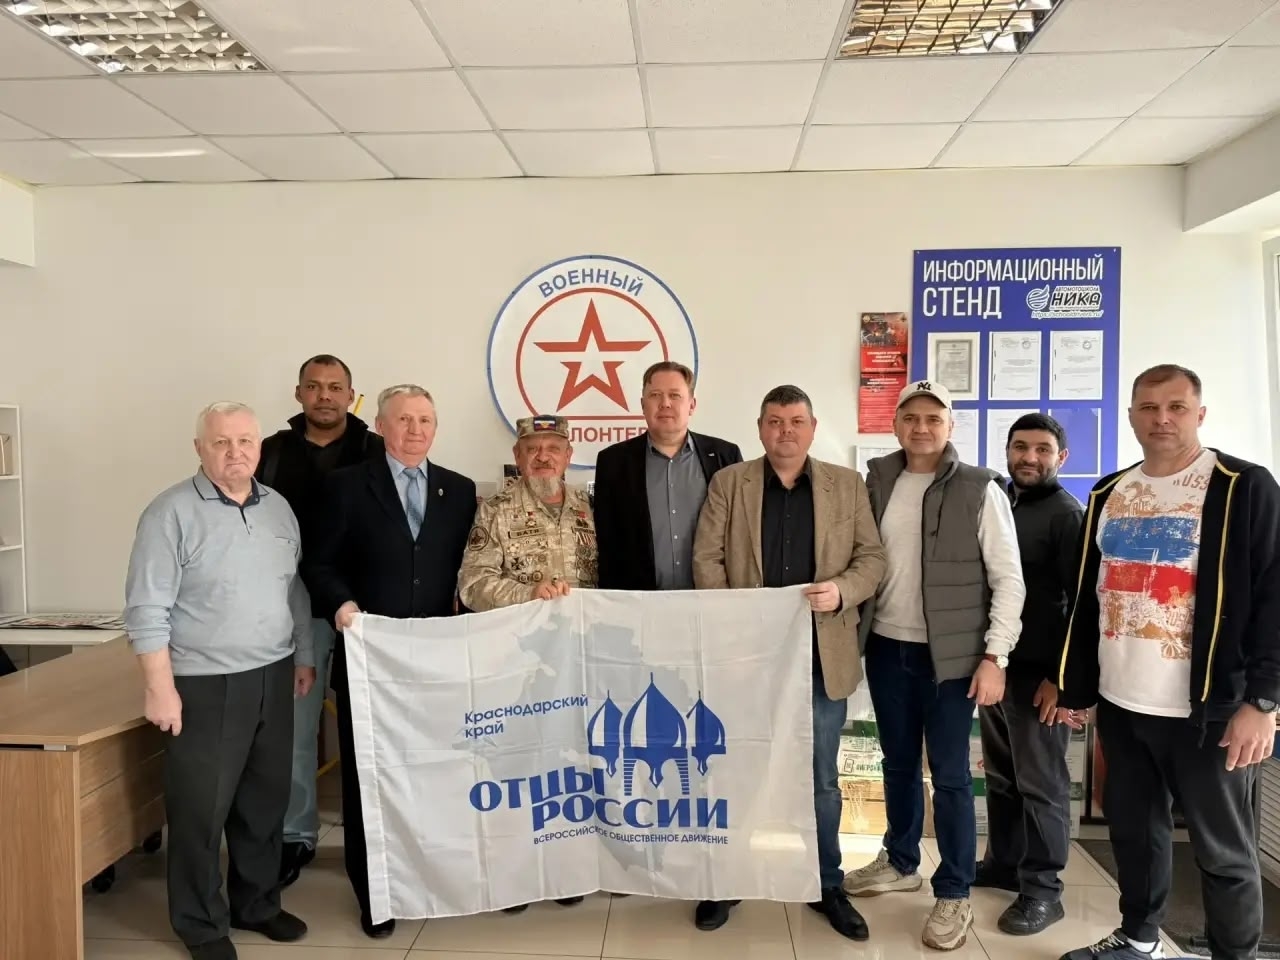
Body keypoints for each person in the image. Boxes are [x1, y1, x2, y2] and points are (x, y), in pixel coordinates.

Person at [1057, 364, 1280, 960]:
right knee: (1135, 834)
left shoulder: (1241, 486)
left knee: (1223, 851)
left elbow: (1273, 596)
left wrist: (1263, 701)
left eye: (1177, 407)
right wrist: (1077, 688)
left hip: (1210, 710)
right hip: (1122, 703)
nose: (1162, 419)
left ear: (1199, 414)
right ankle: (1139, 939)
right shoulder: (1108, 492)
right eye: (1149, 407)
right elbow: (1088, 597)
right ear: (1130, 415)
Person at [691, 385, 887, 941]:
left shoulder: (846, 485)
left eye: (796, 422)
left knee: (820, 778)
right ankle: (728, 878)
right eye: (775, 421)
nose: (785, 431)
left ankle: (827, 884)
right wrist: (740, 621)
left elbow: (872, 558)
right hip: (748, 658)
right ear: (760, 428)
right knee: (738, 769)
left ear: (812, 427)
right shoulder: (730, 483)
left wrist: (842, 591)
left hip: (821, 657)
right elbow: (706, 558)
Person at [124, 401, 316, 960]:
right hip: (203, 682)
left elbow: (292, 588)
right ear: (199, 449)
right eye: (222, 442)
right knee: (200, 811)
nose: (235, 452)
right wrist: (159, 686)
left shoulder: (278, 508)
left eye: (245, 441)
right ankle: (201, 924)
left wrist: (304, 655)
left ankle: (257, 903)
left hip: (273, 673)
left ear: (259, 446)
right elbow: (146, 608)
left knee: (264, 801)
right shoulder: (169, 513)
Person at [844, 379, 1024, 953]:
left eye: (933, 418)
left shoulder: (980, 488)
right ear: (895, 424)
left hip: (952, 659)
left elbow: (1009, 580)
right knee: (896, 763)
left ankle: (954, 890)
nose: (921, 428)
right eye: (911, 417)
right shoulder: (877, 483)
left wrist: (995, 656)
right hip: (886, 647)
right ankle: (900, 861)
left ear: (950, 426)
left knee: (949, 776)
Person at [302, 384, 476, 940]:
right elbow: (318, 564)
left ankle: (428, 876)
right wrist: (341, 605)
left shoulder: (459, 490)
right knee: (368, 779)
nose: (415, 430)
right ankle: (375, 893)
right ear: (380, 426)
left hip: (437, 667)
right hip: (369, 663)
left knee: (434, 773)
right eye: (404, 420)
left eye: (425, 420)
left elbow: (467, 572)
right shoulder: (345, 487)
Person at [255, 353, 385, 889]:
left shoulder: (377, 449)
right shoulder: (271, 452)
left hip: (365, 612)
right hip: (294, 609)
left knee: (375, 731)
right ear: (299, 394)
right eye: (314, 386)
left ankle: (378, 836)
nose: (324, 395)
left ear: (351, 395)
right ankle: (295, 835)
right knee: (295, 729)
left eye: (335, 387)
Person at [458, 413, 595, 913]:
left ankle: (566, 868)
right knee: (516, 772)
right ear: (517, 456)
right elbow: (472, 584)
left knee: (572, 767)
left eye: (553, 448)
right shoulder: (495, 511)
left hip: (577, 663)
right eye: (533, 448)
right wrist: (528, 595)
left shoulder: (592, 508)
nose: (543, 456)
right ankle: (513, 877)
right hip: (515, 664)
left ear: (568, 455)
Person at [975, 413, 1083, 936]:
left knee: (1042, 786)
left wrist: (1062, 680)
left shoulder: (1067, 515)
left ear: (1061, 457)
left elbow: (1080, 605)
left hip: (1041, 677)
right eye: (1020, 447)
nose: (1029, 458)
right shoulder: (999, 500)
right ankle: (1003, 863)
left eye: (1042, 450)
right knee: (1002, 777)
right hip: (998, 667)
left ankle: (1043, 891)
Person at [593, 360, 742, 592]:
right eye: (655, 395)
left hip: (712, 599)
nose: (665, 403)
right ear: (643, 405)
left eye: (675, 395)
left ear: (692, 405)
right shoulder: (613, 462)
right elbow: (607, 543)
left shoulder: (725, 456)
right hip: (639, 602)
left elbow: (741, 534)